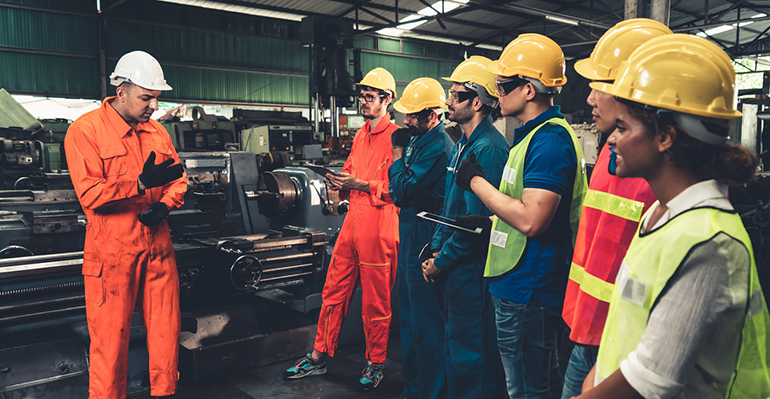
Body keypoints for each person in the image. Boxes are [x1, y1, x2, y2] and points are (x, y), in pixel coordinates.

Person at [576, 33, 770, 399]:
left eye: (623, 127)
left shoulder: (710, 243)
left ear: (665, 137)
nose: (612, 140)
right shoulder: (660, 214)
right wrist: (596, 376)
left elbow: (652, 377)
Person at [455, 34, 588, 398]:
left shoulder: (549, 141)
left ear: (528, 89)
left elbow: (532, 220)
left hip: (529, 289)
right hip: (517, 283)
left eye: (502, 86)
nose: (497, 94)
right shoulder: (530, 136)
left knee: (527, 390)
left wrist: (476, 182)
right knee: (536, 383)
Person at [64, 50, 187, 399]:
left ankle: (165, 393)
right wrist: (139, 185)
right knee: (110, 343)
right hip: (112, 255)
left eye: (156, 99)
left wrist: (164, 204)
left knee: (166, 335)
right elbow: (90, 194)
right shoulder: (85, 131)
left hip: (158, 249)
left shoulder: (157, 132)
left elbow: (178, 178)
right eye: (146, 98)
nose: (153, 107)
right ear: (121, 92)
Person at [560, 19, 670, 399]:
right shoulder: (613, 151)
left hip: (622, 344)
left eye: (599, 86)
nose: (589, 99)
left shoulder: (659, 173)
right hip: (589, 329)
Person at [283, 67, 401, 391]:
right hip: (352, 225)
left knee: (375, 302)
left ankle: (376, 363)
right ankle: (319, 356)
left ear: (387, 99)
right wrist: (337, 183)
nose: (363, 101)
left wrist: (359, 183)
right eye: (362, 96)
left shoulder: (398, 138)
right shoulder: (361, 134)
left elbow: (401, 189)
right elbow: (350, 172)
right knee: (333, 292)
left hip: (380, 227)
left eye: (369, 96)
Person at [422, 55, 509, 399]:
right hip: (452, 267)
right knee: (457, 353)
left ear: (477, 102)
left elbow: (476, 227)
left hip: (471, 270)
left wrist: (442, 260)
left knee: (474, 359)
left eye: (456, 95)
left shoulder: (489, 149)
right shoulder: (461, 145)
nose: (447, 101)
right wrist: (434, 250)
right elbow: (450, 209)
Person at [389, 77, 454, 399]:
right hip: (410, 229)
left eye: (413, 115)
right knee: (410, 319)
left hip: (426, 232)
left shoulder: (438, 146)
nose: (406, 120)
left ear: (433, 114)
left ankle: (432, 392)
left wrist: (398, 151)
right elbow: (399, 191)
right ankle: (414, 387)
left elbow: (399, 188)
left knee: (427, 322)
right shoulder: (419, 139)